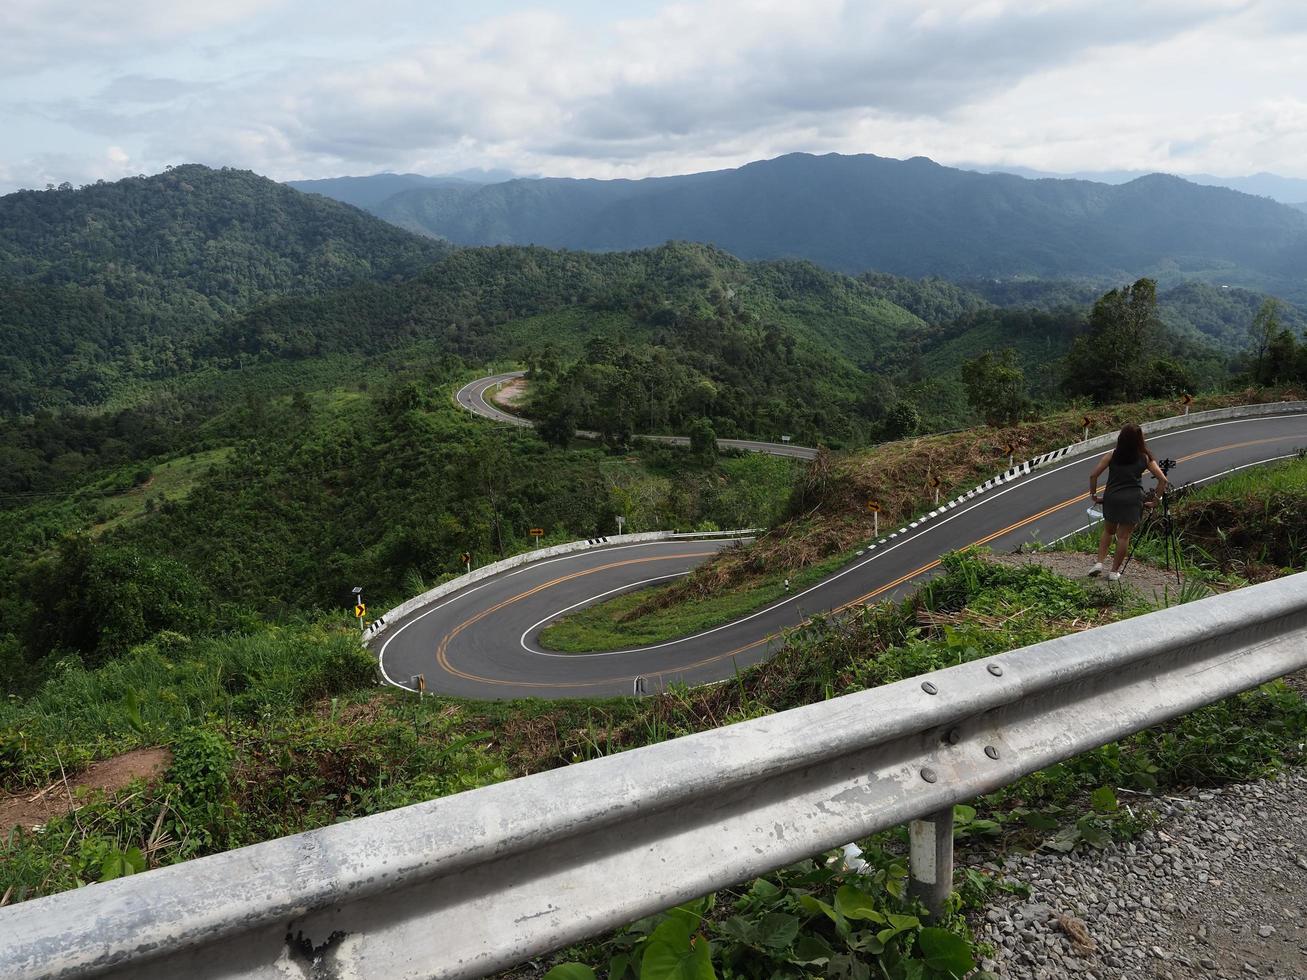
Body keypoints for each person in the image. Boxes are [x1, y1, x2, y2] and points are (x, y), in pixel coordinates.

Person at [1087, 423, 1167, 581]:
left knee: (1108, 531)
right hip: (1133, 500)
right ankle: (1113, 572)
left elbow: (1093, 475)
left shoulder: (1112, 455)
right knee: (1123, 537)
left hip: (1112, 498)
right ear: (1139, 439)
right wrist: (1156, 501)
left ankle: (1099, 563)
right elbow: (1162, 480)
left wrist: (1094, 494)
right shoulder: (1145, 457)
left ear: (1121, 438)